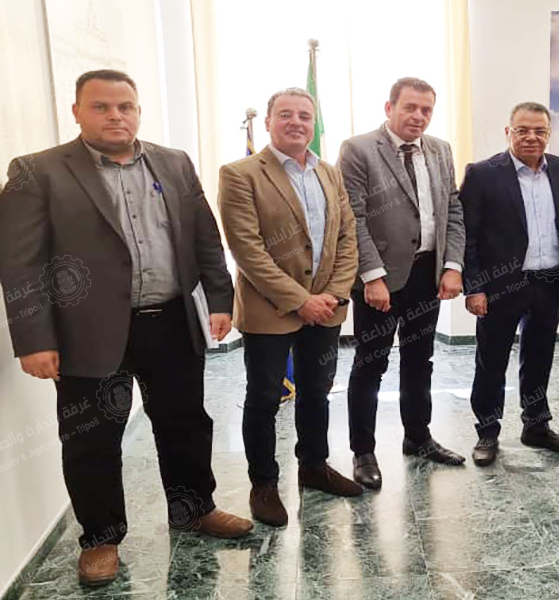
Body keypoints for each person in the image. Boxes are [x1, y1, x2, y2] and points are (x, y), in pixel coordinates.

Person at [0, 70, 252, 587]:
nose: (115, 116)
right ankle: (100, 538)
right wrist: (34, 339)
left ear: (138, 111)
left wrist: (219, 299)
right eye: (101, 107)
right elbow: (20, 264)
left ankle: (193, 509)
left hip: (171, 322)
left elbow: (205, 237)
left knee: (185, 423)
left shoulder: (174, 163)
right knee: (92, 439)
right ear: (76, 111)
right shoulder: (37, 172)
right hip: (87, 333)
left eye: (125, 106)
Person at [218, 88, 362, 522]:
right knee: (264, 399)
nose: (296, 122)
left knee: (316, 392)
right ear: (268, 122)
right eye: (285, 114)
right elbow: (247, 250)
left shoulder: (329, 173)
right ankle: (263, 484)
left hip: (326, 308)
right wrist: (300, 301)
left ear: (313, 123)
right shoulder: (240, 174)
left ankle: (314, 466)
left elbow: (347, 237)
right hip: (270, 311)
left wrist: (334, 293)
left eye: (304, 115)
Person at [338, 77, 466, 489]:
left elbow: (453, 210)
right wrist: (372, 276)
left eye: (426, 109)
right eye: (410, 107)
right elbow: (353, 218)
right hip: (379, 281)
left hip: (428, 274)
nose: (419, 116)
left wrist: (452, 265)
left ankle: (418, 437)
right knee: (370, 364)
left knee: (419, 360)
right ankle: (363, 451)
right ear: (389, 107)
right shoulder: (359, 149)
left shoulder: (440, 150)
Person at [459, 102, 559, 467]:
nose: (531, 137)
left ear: (549, 133)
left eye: (539, 131)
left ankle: (536, 426)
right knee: (491, 360)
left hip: (549, 282)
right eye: (522, 130)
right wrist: (474, 287)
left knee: (539, 357)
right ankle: (487, 431)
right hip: (500, 285)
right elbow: (468, 235)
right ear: (508, 132)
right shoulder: (483, 174)